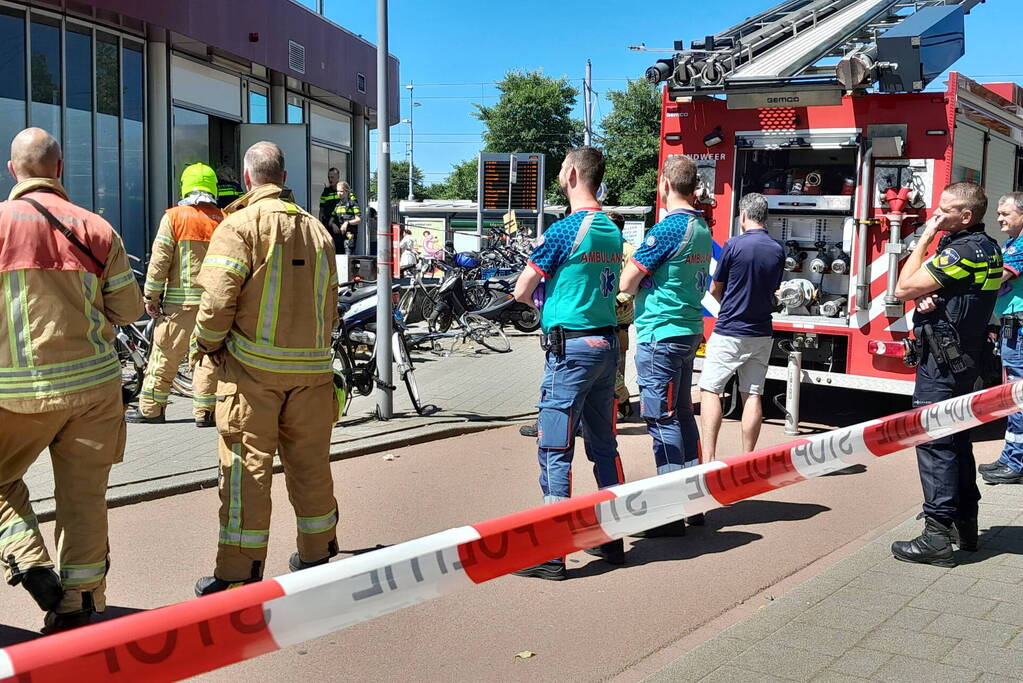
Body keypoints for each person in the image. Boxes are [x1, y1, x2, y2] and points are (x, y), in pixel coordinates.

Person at [0, 127, 143, 631]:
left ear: (13, 170)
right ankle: (78, 604)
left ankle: (31, 562)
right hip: (94, 391)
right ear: (59, 170)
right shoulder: (98, 229)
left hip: (12, 394)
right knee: (83, 498)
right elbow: (128, 312)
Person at [192, 141, 341, 595]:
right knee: (311, 465)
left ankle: (239, 570)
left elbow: (217, 299)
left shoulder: (237, 226)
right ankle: (318, 552)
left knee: (245, 469)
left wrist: (207, 344)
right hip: (312, 372)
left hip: (253, 374)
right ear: (284, 175)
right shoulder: (318, 231)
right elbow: (330, 303)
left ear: (247, 176)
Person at [512, 146, 626, 578]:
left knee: (554, 447)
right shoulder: (611, 230)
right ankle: (614, 536)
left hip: (570, 350)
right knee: (603, 446)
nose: (560, 173)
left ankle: (552, 552)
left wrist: (539, 299)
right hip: (606, 346)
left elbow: (523, 289)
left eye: (562, 167)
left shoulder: (564, 231)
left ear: (574, 174)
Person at [891, 182, 1001, 566]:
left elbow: (903, 286)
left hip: (942, 362)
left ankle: (936, 536)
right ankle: (965, 526)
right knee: (957, 441)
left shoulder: (962, 250)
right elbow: (957, 293)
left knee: (934, 441)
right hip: (968, 360)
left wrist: (924, 237)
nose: (937, 215)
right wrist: (929, 294)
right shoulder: (987, 247)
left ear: (966, 216)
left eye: (945, 210)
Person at [620, 154, 712, 537]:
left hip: (661, 331)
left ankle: (668, 510)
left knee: (660, 418)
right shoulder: (702, 227)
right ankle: (693, 499)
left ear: (664, 185)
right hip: (688, 328)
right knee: (682, 414)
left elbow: (627, 279)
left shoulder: (670, 228)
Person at [125, 163, 224, 426]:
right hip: (213, 306)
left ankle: (151, 409)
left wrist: (151, 297)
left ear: (185, 186)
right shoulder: (223, 219)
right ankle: (205, 413)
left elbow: (160, 261)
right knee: (206, 358)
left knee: (164, 356)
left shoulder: (174, 217)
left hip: (178, 307)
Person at [699, 193, 784, 460]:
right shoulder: (777, 249)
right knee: (753, 393)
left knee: (711, 389)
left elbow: (715, 288)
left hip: (729, 329)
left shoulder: (733, 245)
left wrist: (726, 301)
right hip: (761, 332)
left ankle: (710, 457)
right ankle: (747, 457)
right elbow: (774, 291)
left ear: (743, 216)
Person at [979, 192, 1023, 485]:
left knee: (1017, 397)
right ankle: (1011, 457)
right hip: (1011, 329)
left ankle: (1016, 463)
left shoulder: (1020, 246)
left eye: (1005, 213)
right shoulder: (1011, 244)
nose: (999, 218)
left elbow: (996, 279)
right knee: (1012, 396)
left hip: (1020, 332)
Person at [607, 211, 636, 419]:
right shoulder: (606, 247)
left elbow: (633, 286)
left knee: (616, 365)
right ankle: (615, 405)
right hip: (605, 316)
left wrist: (617, 302)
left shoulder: (628, 250)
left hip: (619, 318)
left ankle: (621, 404)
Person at [330, 181, 361, 254]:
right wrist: (333, 225)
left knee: (347, 259)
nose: (339, 193)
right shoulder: (337, 205)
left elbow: (358, 220)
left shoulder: (353, 204)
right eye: (337, 191)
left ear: (347, 192)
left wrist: (347, 223)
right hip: (338, 237)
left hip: (349, 237)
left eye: (341, 191)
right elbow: (331, 221)